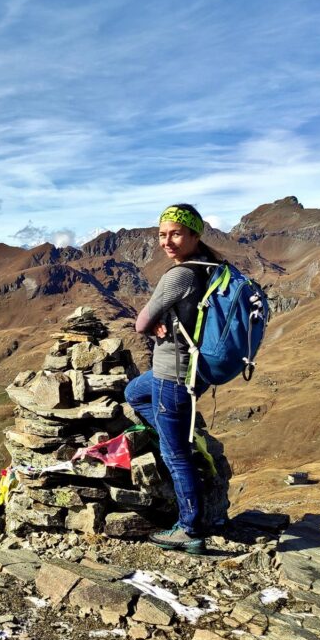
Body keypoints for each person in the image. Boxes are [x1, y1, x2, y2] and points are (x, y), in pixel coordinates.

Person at [124, 203, 221, 555]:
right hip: (191, 370)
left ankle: (190, 530)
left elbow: (140, 323)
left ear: (196, 234)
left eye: (176, 233)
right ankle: (178, 434)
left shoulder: (179, 275)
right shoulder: (212, 269)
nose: (167, 241)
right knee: (134, 391)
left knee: (175, 455)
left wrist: (152, 322)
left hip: (173, 375)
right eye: (162, 234)